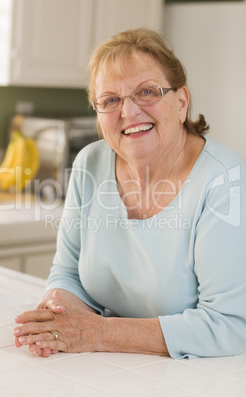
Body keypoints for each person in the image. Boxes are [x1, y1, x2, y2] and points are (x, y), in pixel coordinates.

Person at [13, 28, 246, 359]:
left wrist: (96, 332)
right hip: (111, 369)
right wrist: (58, 310)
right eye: (110, 100)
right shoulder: (89, 164)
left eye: (147, 92)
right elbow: (67, 272)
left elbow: (229, 326)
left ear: (181, 102)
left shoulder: (224, 180)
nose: (129, 112)